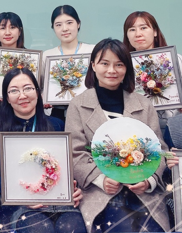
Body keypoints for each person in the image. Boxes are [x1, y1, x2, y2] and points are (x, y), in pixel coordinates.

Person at [65, 38, 170, 232]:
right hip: (101, 192)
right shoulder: (78, 105)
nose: (111, 70)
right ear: (93, 66)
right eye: (105, 63)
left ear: (126, 68)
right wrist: (101, 179)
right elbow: (75, 152)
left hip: (142, 191)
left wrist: (148, 181)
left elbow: (160, 150)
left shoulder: (143, 104)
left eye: (119, 64)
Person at [0, 67, 85, 233]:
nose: (22, 95)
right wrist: (20, 196)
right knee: (40, 228)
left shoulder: (57, 125)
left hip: (61, 203)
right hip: (22, 205)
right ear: (7, 98)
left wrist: (75, 188)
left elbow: (71, 168)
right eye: (14, 91)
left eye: (28, 88)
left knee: (72, 227)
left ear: (38, 93)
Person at [122, 10, 182, 132]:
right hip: (139, 129)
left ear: (155, 32)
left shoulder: (175, 60)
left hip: (177, 127)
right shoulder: (122, 66)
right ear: (127, 35)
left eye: (143, 28)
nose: (138, 34)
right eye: (132, 29)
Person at [43, 5, 95, 121]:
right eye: (58, 25)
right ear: (53, 28)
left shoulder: (92, 51)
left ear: (78, 24)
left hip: (88, 112)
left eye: (69, 23)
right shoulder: (47, 55)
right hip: (56, 114)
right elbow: (41, 86)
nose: (64, 28)